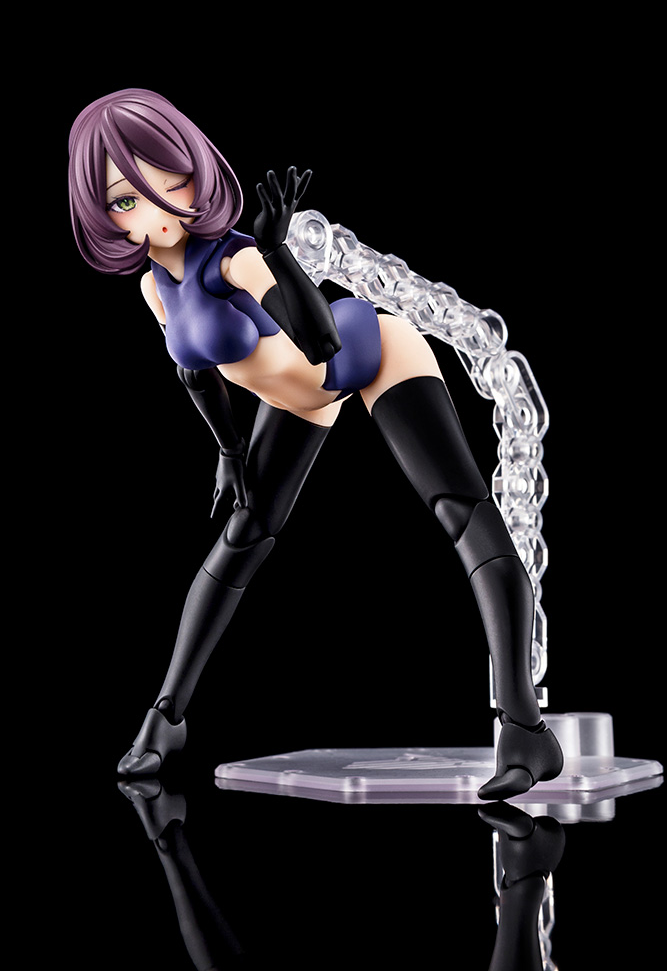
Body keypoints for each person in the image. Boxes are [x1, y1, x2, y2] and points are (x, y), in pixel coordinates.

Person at [68, 88, 563, 800]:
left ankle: (524, 728)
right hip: (296, 398)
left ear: (197, 171)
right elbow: (193, 371)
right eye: (126, 199)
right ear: (104, 214)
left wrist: (274, 250)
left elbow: (322, 339)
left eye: (172, 181)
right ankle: (165, 721)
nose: (158, 209)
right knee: (242, 538)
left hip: (367, 354)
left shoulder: (235, 261)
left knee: (462, 515)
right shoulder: (155, 286)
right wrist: (229, 452)